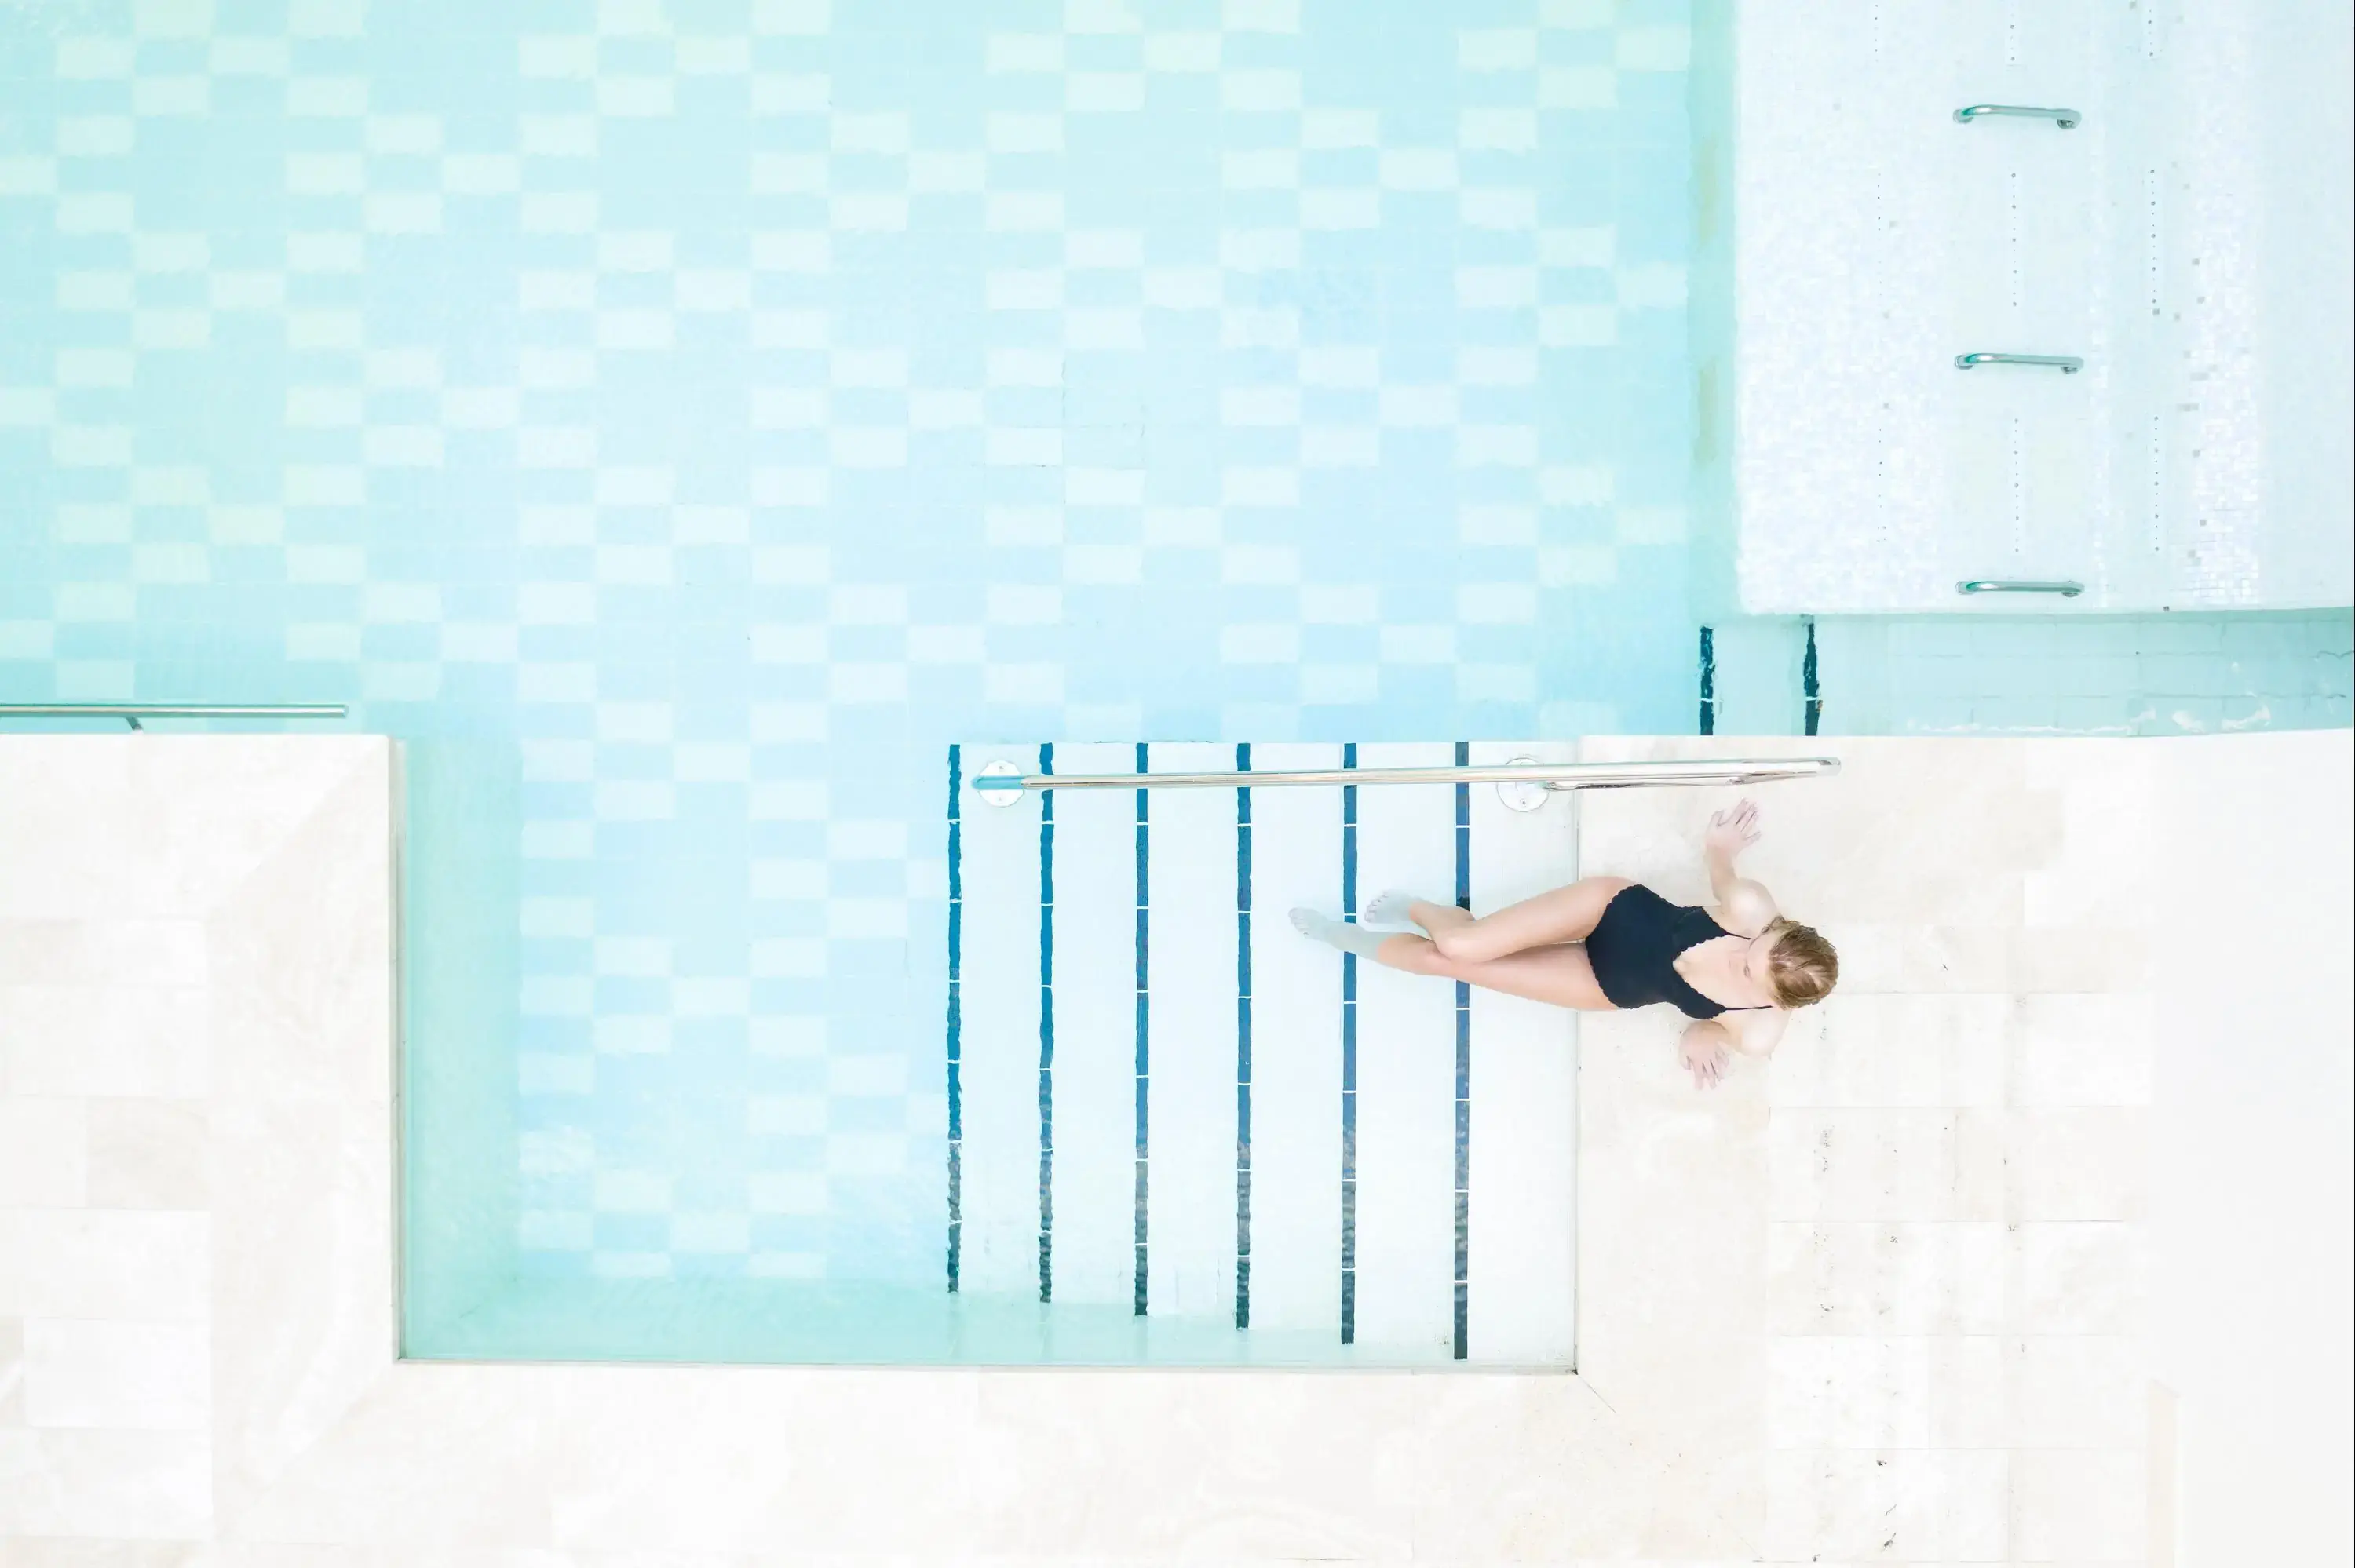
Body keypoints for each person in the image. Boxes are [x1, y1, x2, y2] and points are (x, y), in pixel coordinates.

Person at [1290, 797, 1838, 1090]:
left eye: (1749, 971)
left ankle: (1340, 936)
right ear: (1776, 928)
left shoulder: (1760, 1031)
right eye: (1756, 945)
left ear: (1773, 1000)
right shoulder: (1748, 908)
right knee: (1459, 943)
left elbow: (1706, 1025)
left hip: (1607, 983)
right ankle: (1425, 910)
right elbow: (1720, 868)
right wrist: (1721, 847)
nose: (1740, 954)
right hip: (1615, 910)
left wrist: (1699, 1042)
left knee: (1447, 964)